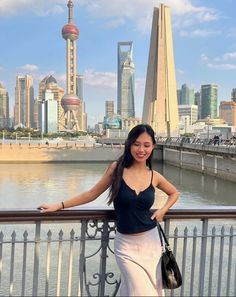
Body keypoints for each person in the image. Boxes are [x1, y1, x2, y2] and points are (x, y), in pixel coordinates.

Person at [38, 124, 180, 296]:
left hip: (151, 243)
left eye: (146, 145)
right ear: (129, 145)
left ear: (153, 147)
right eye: (136, 144)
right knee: (141, 292)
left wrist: (163, 210)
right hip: (126, 246)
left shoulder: (154, 176)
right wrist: (59, 205)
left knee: (143, 290)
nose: (141, 149)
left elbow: (174, 193)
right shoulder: (117, 169)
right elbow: (92, 193)